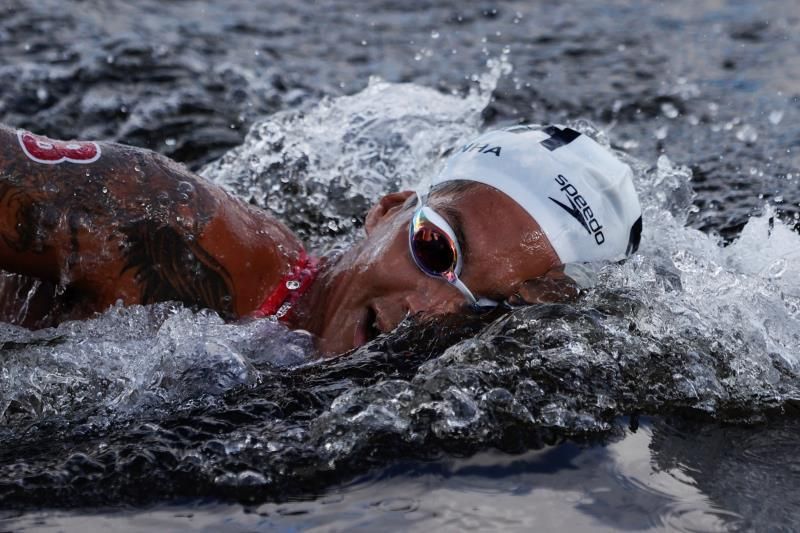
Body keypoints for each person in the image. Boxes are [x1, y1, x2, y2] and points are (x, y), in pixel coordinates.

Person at [0, 124, 642, 355]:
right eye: (436, 250)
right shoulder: (178, 224)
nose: (430, 309)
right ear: (387, 211)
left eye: (489, 308)